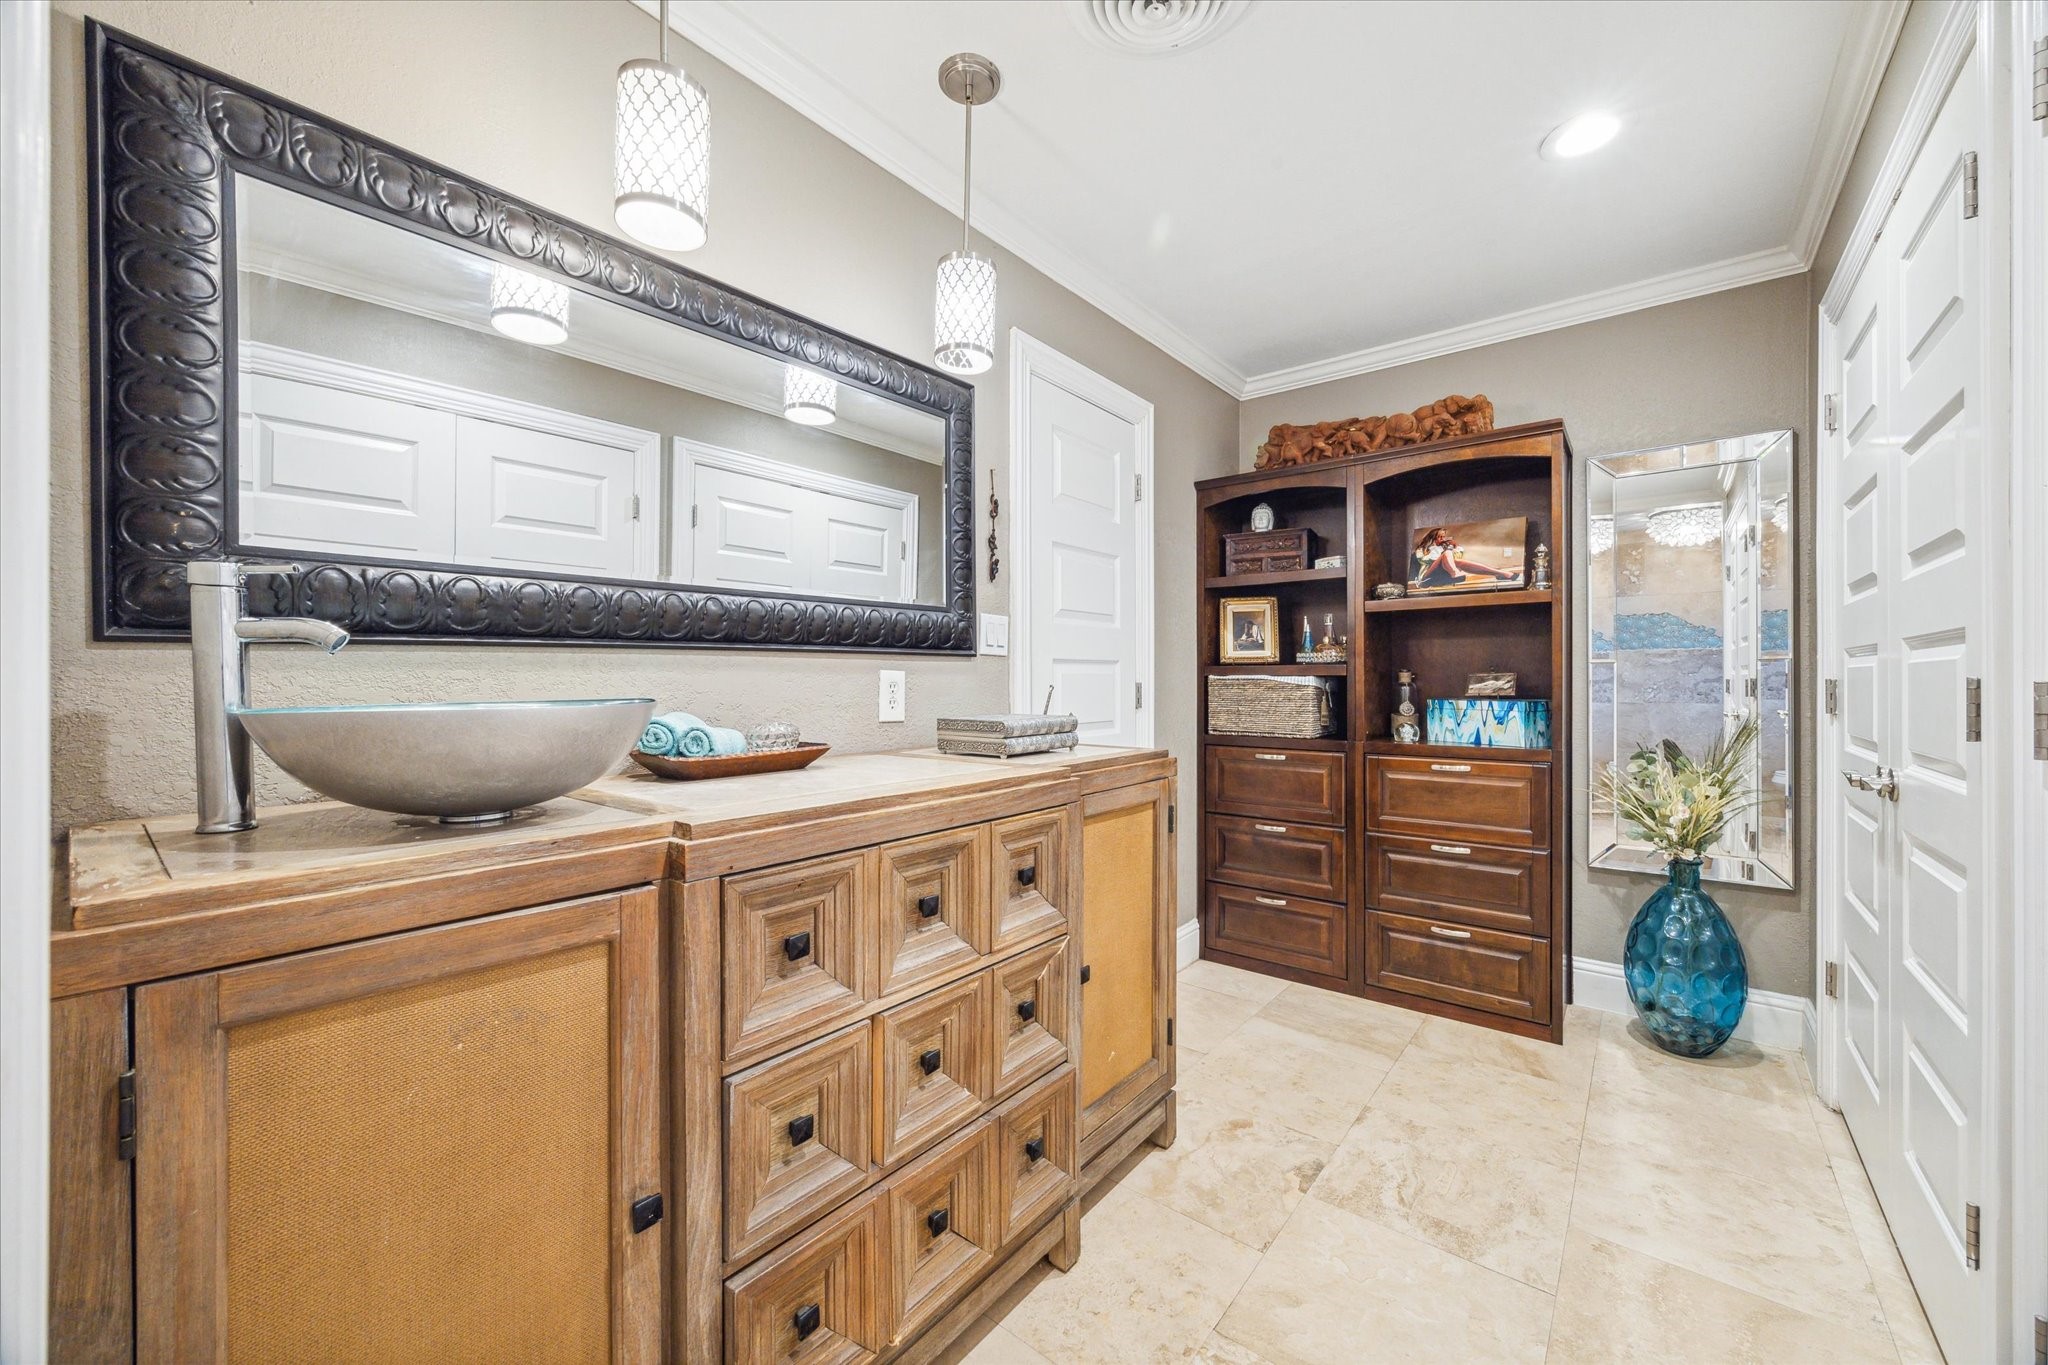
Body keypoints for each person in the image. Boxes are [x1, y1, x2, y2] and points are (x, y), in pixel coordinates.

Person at [1412, 527, 1518, 590]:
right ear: (1433, 538)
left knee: (1457, 561)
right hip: (1426, 578)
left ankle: (1499, 573)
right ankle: (1455, 573)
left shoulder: (1444, 548)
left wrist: (1455, 547)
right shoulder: (1422, 549)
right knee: (1447, 554)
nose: (1443, 539)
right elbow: (1425, 560)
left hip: (1442, 573)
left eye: (1444, 537)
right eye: (1440, 537)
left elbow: (1456, 558)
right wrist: (1442, 551)